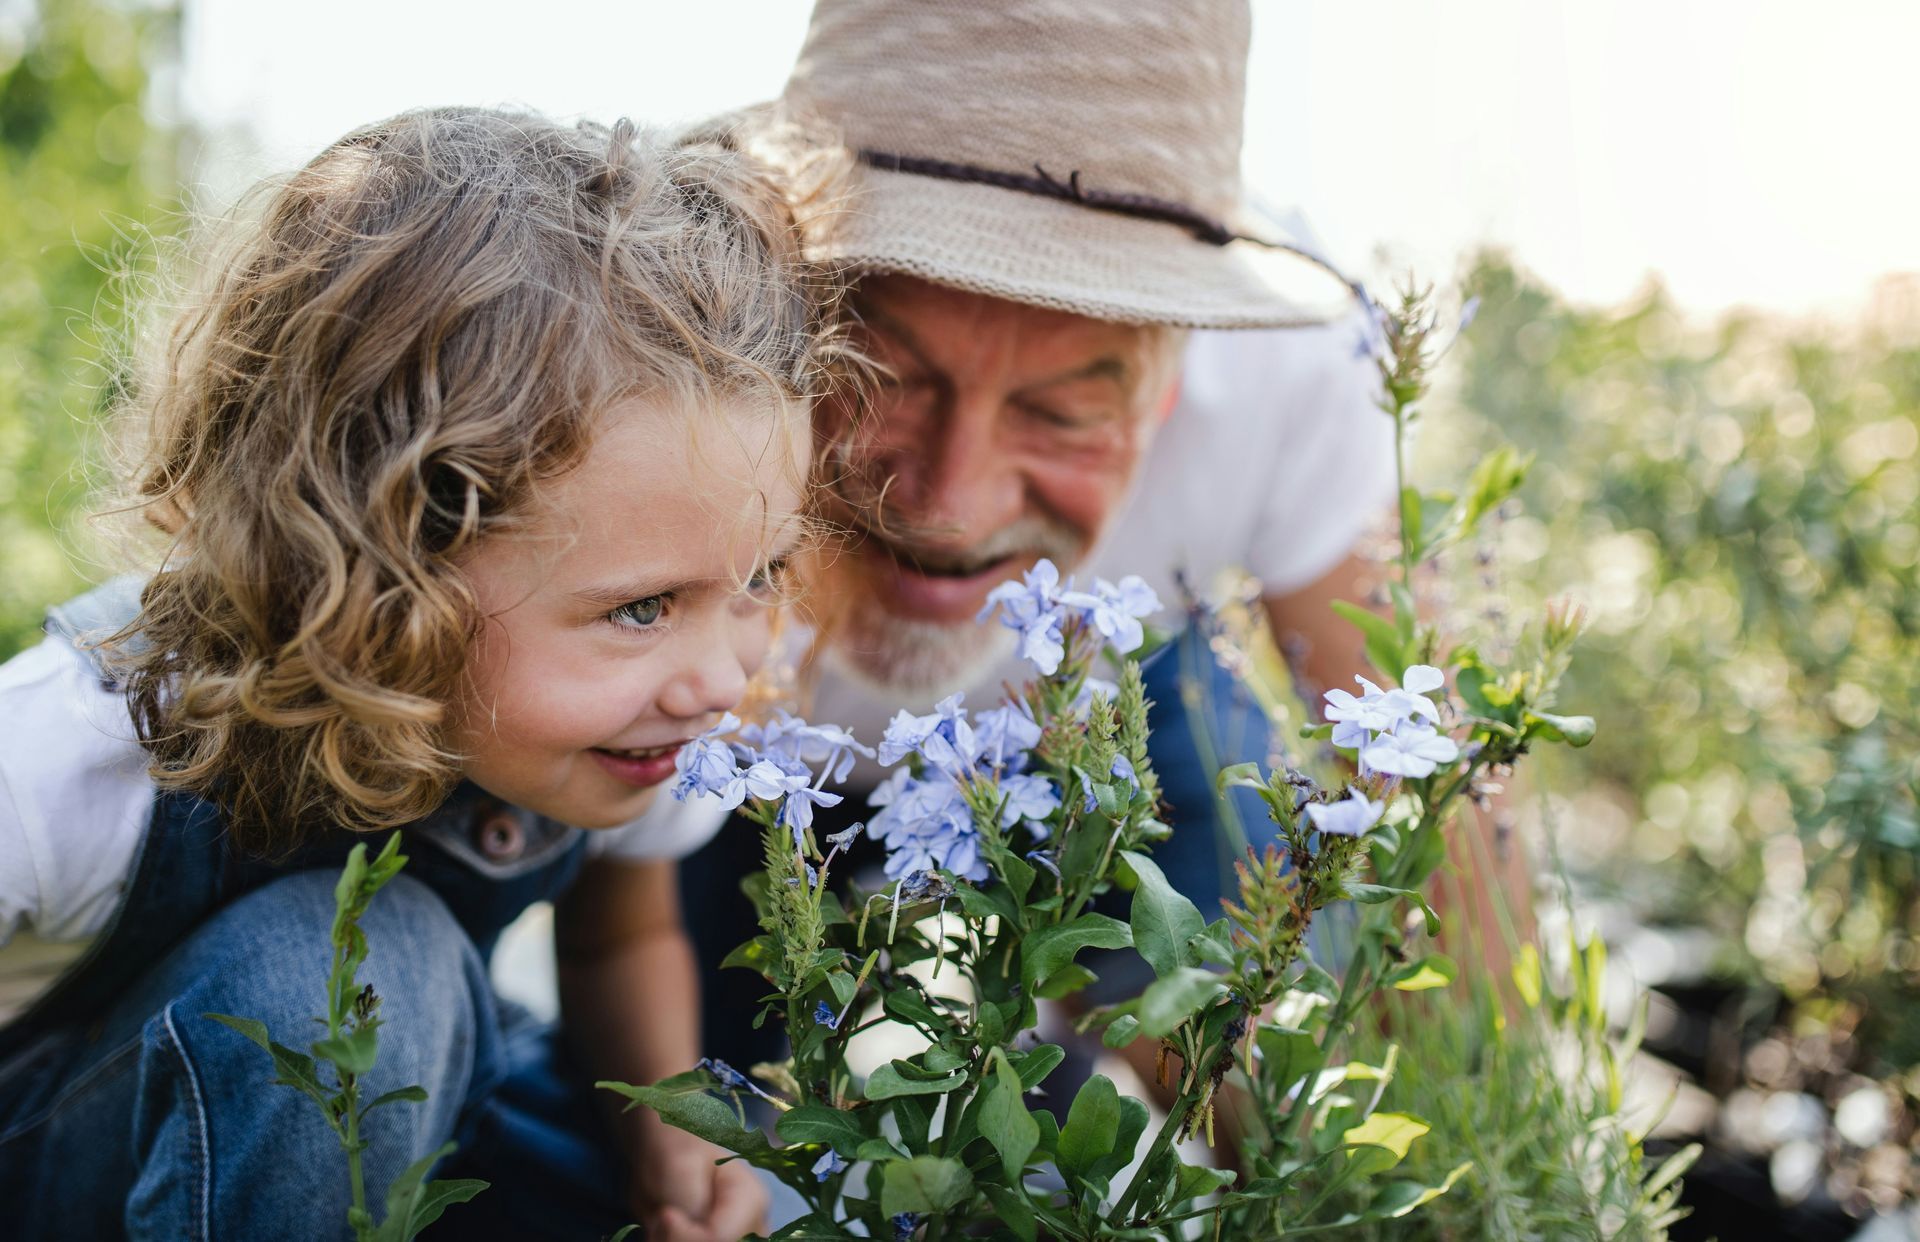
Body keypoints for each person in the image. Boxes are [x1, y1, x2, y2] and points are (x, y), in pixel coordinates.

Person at [0, 107, 840, 1240]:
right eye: (641, 609)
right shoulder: (81, 753)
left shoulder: (636, 730)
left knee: (797, 1194)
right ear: (388, 564)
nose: (719, 678)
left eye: (758, 576)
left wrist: (671, 1141)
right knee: (342, 977)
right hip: (73, 1164)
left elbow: (619, 932)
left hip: (423, 1111)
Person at [681, 0, 1412, 1078]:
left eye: (1062, 412)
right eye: (879, 374)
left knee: (1236, 1048)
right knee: (698, 1111)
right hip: (742, 752)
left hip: (1089, 718)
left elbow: (1414, 754)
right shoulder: (659, 324)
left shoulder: (1294, 371)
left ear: (1166, 390)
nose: (951, 504)